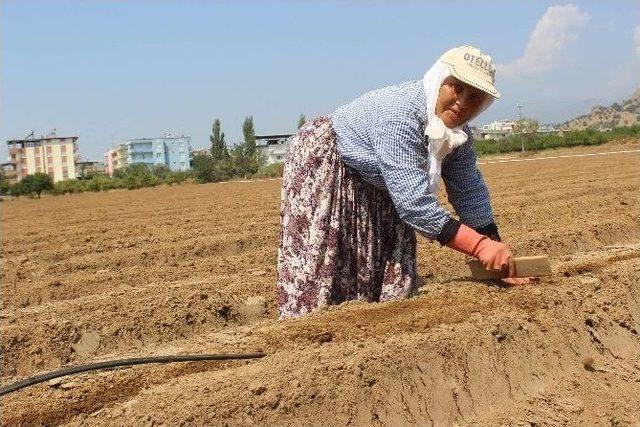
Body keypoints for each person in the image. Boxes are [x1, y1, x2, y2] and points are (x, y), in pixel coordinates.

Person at [277, 45, 529, 319]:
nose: (462, 103)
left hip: (379, 179)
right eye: (456, 88)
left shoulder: (458, 134)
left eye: (475, 97)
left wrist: (494, 247)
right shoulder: (401, 116)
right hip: (331, 160)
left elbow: (468, 189)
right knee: (325, 257)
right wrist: (479, 247)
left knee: (384, 268)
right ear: (439, 79)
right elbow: (414, 206)